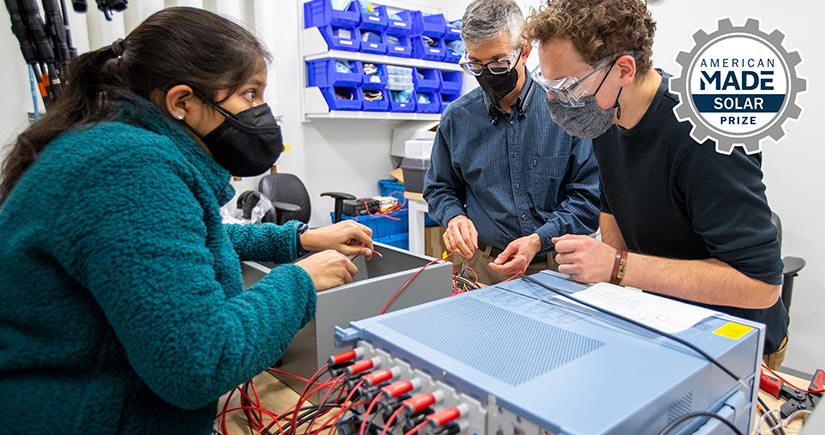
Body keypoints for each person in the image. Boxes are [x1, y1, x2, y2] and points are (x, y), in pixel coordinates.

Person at [0, 7, 374, 433]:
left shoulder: (115, 146)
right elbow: (200, 363)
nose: (262, 112)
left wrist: (300, 240)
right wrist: (300, 281)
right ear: (182, 102)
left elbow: (186, 242)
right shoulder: (128, 169)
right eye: (250, 94)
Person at [524, 0, 788, 368]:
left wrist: (616, 265)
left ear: (624, 70)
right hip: (664, 326)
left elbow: (761, 285)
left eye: (567, 86)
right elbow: (612, 207)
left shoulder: (705, 135)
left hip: (735, 346)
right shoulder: (606, 116)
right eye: (548, 85)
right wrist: (610, 281)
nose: (556, 101)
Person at [423, 0, 600, 285]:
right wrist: (454, 217)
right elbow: (440, 188)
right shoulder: (457, 119)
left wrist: (537, 240)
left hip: (558, 267)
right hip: (484, 268)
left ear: (525, 51)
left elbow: (589, 198)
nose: (488, 74)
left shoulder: (567, 111)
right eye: (476, 64)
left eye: (499, 62)